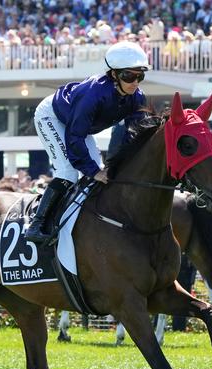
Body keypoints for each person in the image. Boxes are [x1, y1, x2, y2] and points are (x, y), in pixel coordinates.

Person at [26, 41, 149, 243]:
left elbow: (132, 137)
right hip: (53, 116)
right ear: (114, 75)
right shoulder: (93, 94)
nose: (135, 82)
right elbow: (75, 137)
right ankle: (37, 223)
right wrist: (93, 171)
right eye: (129, 76)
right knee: (68, 172)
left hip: (78, 124)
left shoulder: (137, 98)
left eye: (140, 76)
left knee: (99, 172)